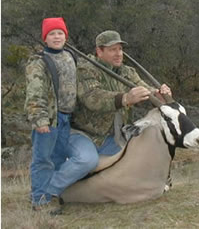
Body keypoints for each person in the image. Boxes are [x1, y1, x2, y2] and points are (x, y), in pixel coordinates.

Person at [68, 30, 172, 181]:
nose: (118, 54)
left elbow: (143, 87)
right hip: (87, 135)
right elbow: (92, 98)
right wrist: (125, 98)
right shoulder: (86, 69)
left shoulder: (126, 71)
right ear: (99, 51)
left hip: (114, 137)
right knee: (87, 161)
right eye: (112, 50)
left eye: (120, 49)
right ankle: (50, 190)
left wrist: (158, 93)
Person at [25, 17, 81, 213]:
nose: (56, 37)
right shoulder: (38, 62)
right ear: (45, 38)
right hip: (49, 119)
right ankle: (39, 201)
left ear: (65, 36)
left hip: (67, 117)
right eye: (52, 34)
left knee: (58, 158)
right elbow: (35, 93)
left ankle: (53, 196)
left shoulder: (71, 57)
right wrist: (40, 119)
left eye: (60, 33)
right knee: (43, 160)